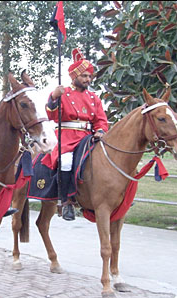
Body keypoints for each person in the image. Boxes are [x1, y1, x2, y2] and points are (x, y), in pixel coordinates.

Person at [43, 48, 109, 221]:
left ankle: (108, 196)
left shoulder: (94, 98)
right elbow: (51, 114)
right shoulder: (63, 93)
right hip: (66, 136)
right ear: (74, 76)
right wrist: (53, 97)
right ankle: (66, 202)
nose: (88, 80)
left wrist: (101, 131)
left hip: (88, 137)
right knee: (65, 162)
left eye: (89, 77)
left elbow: (101, 120)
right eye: (84, 76)